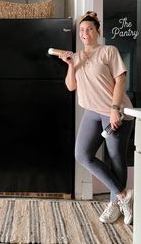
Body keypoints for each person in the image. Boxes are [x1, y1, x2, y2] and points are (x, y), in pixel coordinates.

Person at [58, 11, 134, 225]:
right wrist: (71, 64)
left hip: (115, 111)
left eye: (90, 29)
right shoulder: (78, 57)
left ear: (97, 31)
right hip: (91, 112)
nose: (85, 33)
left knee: (115, 158)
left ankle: (115, 206)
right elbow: (71, 86)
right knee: (82, 154)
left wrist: (114, 108)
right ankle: (123, 196)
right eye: (82, 30)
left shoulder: (109, 51)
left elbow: (120, 81)